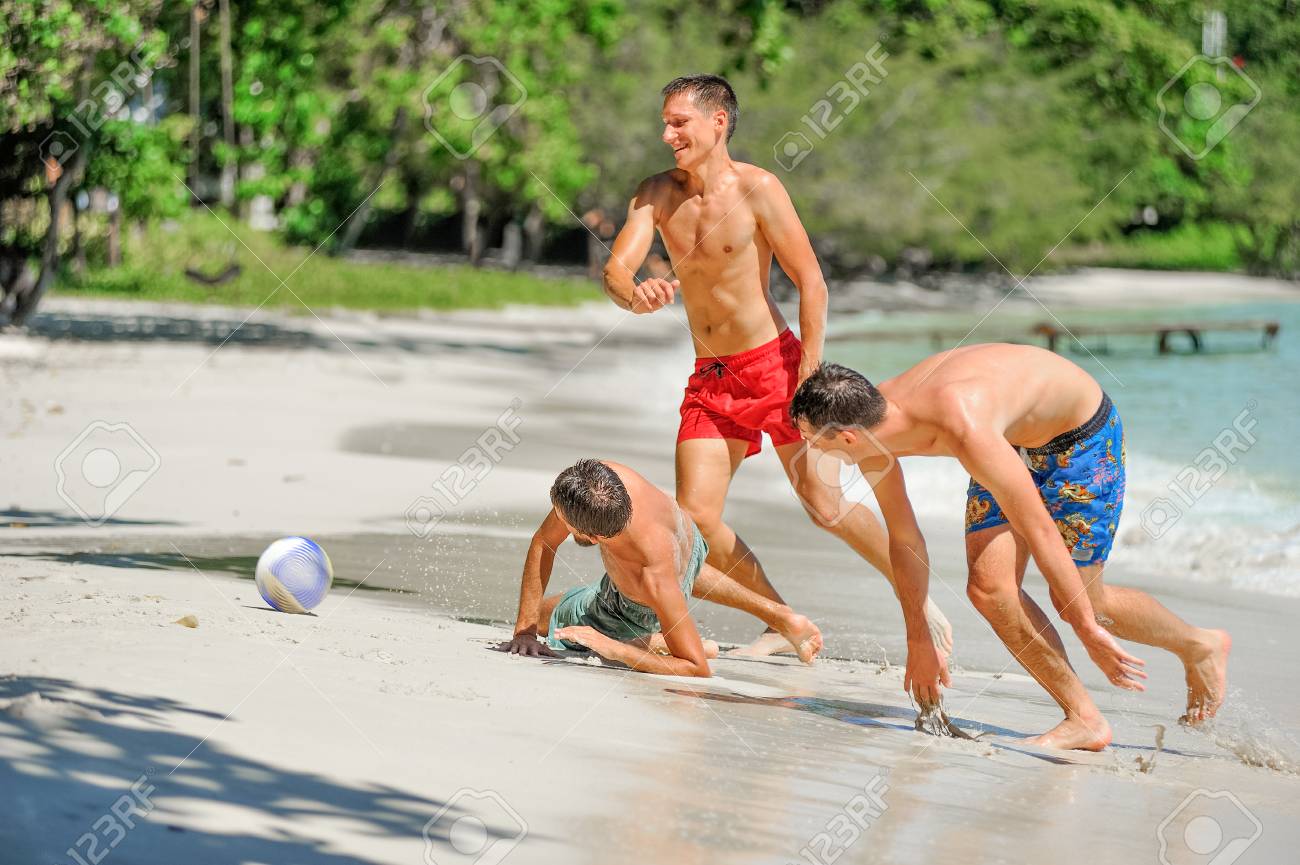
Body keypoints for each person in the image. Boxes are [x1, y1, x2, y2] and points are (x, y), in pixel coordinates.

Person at [601, 73, 951, 658]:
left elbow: (811, 281)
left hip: (777, 368)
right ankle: (781, 619)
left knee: (825, 508)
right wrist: (633, 294)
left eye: (678, 122)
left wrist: (810, 375)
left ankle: (916, 598)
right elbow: (616, 270)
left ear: (718, 122)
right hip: (712, 379)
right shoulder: (656, 193)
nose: (667, 134)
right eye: (664, 122)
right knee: (697, 522)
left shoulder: (759, 189)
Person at [789, 348, 1232, 750]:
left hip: (1079, 438)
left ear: (845, 437)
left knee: (1085, 601)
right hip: (1011, 439)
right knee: (988, 588)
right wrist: (918, 638)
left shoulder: (959, 424)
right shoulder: (872, 428)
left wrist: (1085, 629)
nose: (809, 449)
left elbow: (1038, 528)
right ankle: (1084, 718)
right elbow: (905, 537)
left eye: (812, 439)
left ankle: (1200, 645)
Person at [502, 459, 824, 675]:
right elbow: (543, 542)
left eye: (564, 522)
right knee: (674, 582)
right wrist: (522, 630)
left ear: (595, 536)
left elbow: (697, 669)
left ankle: (651, 639)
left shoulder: (648, 577)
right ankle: (779, 615)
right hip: (687, 544)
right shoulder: (601, 482)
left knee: (550, 618)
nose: (556, 522)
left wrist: (613, 649)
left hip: (646, 592)